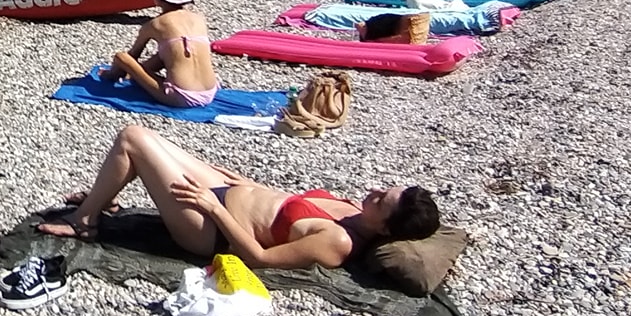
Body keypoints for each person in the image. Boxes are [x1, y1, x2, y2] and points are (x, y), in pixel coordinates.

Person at [36, 126, 440, 267]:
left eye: (380, 200)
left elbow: (260, 258)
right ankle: (104, 196)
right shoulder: (354, 212)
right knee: (150, 140)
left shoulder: (337, 242)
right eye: (383, 189)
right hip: (229, 192)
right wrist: (244, 182)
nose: (371, 193)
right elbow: (282, 204)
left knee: (133, 140)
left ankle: (86, 221)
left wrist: (214, 206)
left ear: (386, 227)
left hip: (211, 231)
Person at [94, 0, 218, 108]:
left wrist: (118, 70)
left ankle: (111, 76)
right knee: (168, 53)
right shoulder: (199, 19)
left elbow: (133, 56)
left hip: (181, 96)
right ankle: (131, 76)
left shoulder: (155, 24)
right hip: (210, 91)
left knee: (121, 57)